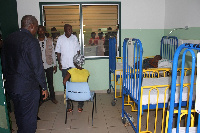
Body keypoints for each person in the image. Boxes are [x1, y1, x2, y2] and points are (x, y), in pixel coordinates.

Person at [1, 15, 48, 133]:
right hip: (28, 89)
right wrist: (44, 87)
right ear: (31, 26)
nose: (37, 31)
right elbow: (37, 67)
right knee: (29, 121)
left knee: (19, 116)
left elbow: (4, 63)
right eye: (36, 27)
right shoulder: (31, 41)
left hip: (12, 87)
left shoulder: (9, 38)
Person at [55, 24, 80, 90]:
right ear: (64, 30)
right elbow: (58, 52)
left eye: (71, 29)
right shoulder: (60, 38)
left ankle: (74, 96)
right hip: (65, 65)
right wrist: (59, 63)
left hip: (74, 65)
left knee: (75, 82)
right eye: (68, 29)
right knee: (66, 83)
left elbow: (78, 50)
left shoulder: (74, 38)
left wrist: (78, 62)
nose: (70, 31)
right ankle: (67, 98)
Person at [37, 25, 58, 104]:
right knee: (40, 83)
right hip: (39, 66)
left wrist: (55, 64)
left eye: (42, 30)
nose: (40, 32)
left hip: (48, 64)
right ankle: (41, 99)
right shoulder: (35, 41)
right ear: (37, 32)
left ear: (45, 31)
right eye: (39, 30)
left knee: (50, 82)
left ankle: (52, 97)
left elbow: (53, 53)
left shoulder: (49, 41)